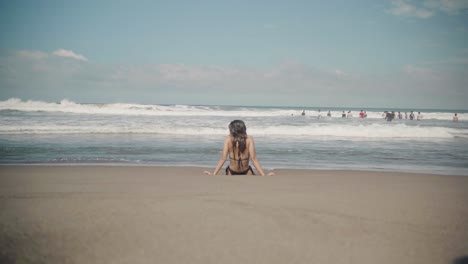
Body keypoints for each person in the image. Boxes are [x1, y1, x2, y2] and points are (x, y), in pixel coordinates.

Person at [204, 120, 273, 176]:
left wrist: (214, 174)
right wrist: (263, 175)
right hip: (246, 171)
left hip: (232, 171)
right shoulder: (249, 139)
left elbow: (223, 159)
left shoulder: (228, 139)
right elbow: (254, 159)